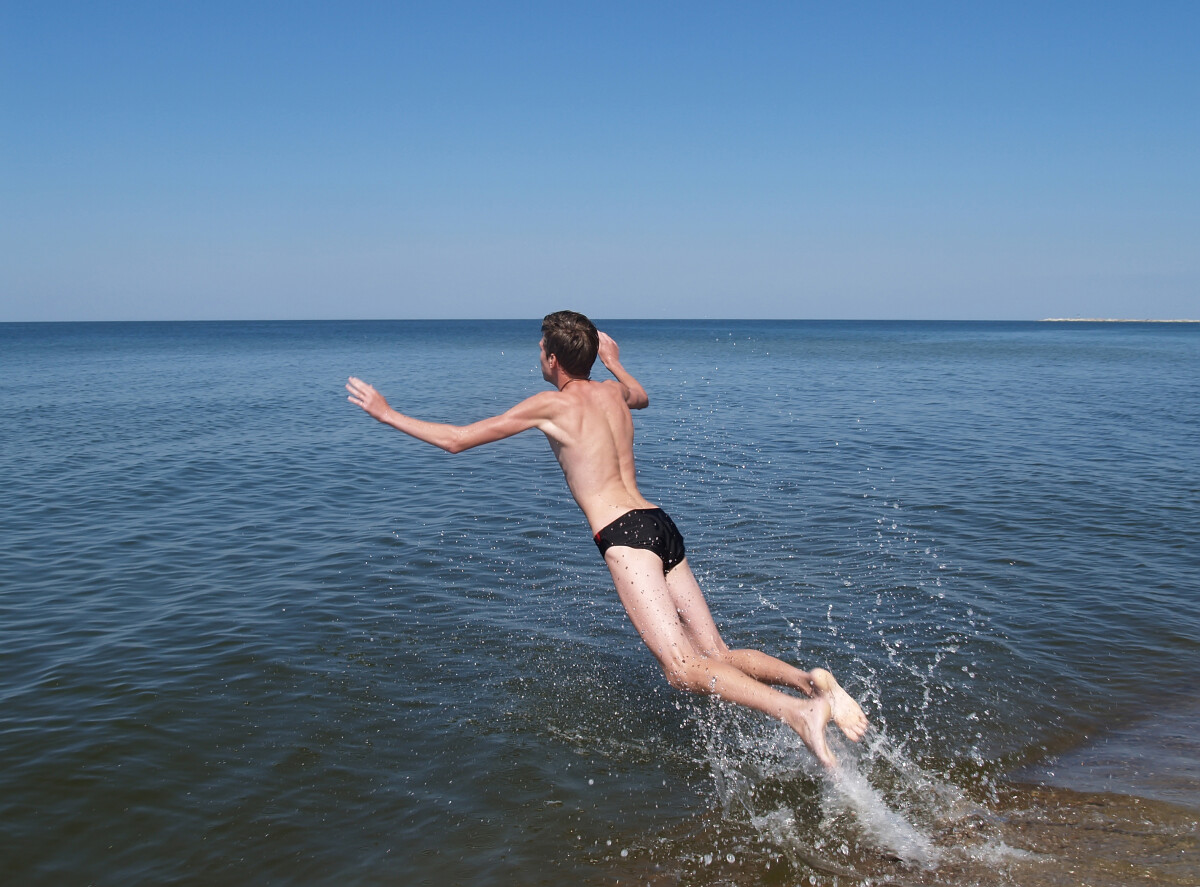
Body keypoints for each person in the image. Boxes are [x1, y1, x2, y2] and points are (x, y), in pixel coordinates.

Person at [346, 310, 868, 767]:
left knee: (683, 670)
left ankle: (800, 714)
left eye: (541, 351)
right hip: (661, 523)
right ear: (593, 356)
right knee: (716, 653)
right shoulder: (613, 392)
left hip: (625, 536)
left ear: (552, 360)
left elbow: (458, 440)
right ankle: (811, 682)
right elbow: (642, 395)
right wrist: (615, 363)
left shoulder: (551, 406)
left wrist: (386, 413)